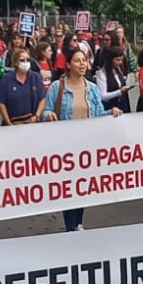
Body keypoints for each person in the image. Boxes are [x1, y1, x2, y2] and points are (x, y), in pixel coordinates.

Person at [40, 49, 121, 232]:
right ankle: (71, 227)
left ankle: (78, 223)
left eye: (84, 60)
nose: (82, 64)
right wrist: (48, 114)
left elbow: (98, 114)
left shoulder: (92, 88)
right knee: (68, 188)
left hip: (86, 146)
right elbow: (46, 111)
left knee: (82, 187)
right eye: (77, 61)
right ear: (68, 65)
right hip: (65, 147)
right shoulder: (57, 87)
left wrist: (112, 112)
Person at [0, 47, 47, 126]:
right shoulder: (6, 79)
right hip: (12, 123)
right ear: (16, 63)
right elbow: (1, 103)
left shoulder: (35, 77)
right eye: (22, 60)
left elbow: (42, 99)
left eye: (28, 60)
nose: (25, 62)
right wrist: (8, 123)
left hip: (32, 123)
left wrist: (36, 116)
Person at [96, 46, 134, 111]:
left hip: (122, 106)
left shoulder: (118, 69)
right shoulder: (102, 73)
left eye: (121, 60)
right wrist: (120, 92)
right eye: (117, 60)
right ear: (111, 59)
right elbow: (102, 96)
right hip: (110, 108)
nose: (120, 62)